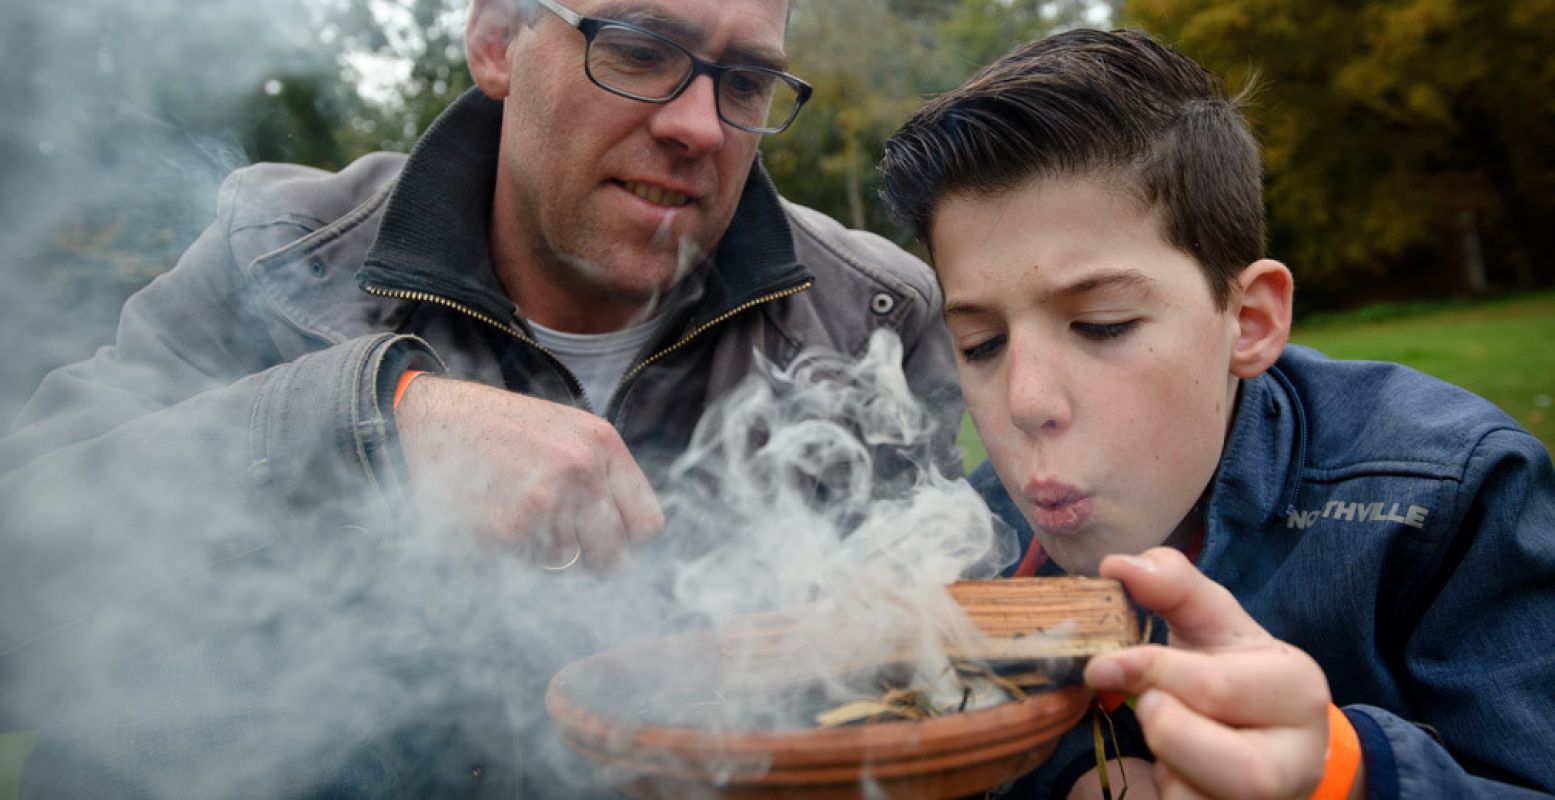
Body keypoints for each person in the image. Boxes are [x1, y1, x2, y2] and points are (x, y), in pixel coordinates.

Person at [0, 0, 961, 795]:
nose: (696, 125)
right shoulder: (278, 259)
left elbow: (940, 701)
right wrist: (372, 423)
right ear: (497, 43)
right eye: (636, 49)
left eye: (744, 80)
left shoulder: (872, 318)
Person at [879, 28, 1555, 799]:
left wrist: (1339, 773)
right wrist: (1072, 777)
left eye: (1102, 326)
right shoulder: (974, 546)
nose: (1026, 402)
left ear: (1249, 320)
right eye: (981, 343)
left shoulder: (1445, 497)